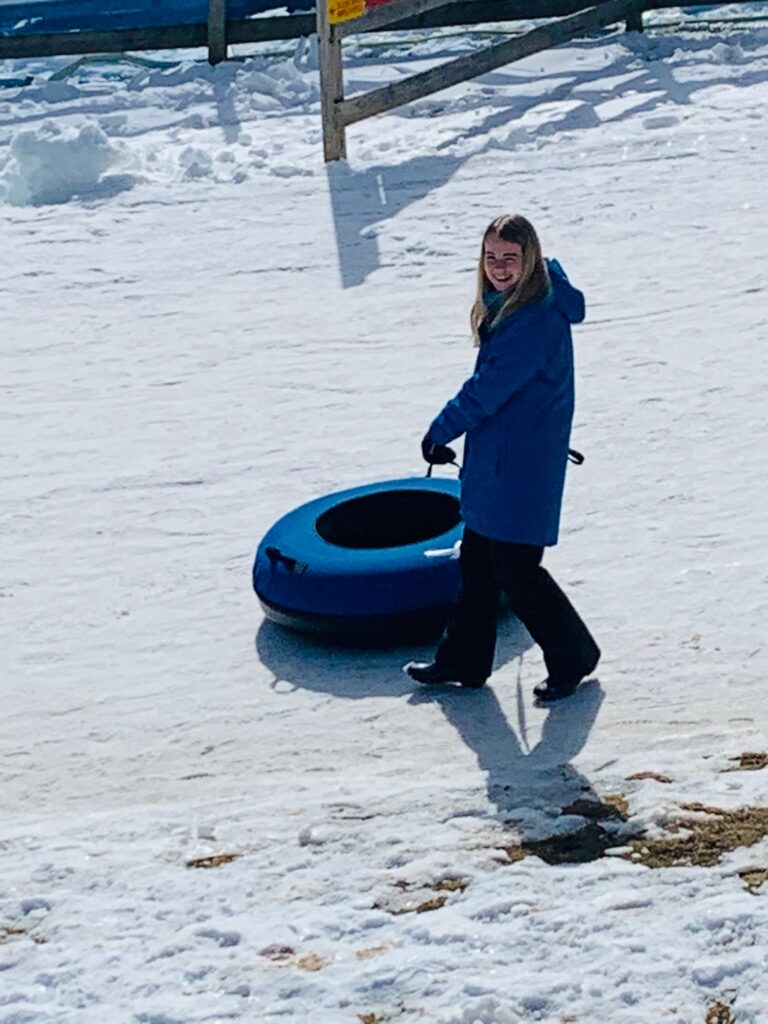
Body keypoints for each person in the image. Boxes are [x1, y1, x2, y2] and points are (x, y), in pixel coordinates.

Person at [404, 214, 600, 702]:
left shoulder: (532, 318)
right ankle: (464, 662)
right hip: (500, 459)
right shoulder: (514, 305)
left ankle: (574, 655)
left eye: (509, 258)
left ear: (529, 258)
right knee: (478, 561)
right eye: (491, 258)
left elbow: (487, 389)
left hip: (522, 465)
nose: (498, 268)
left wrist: (440, 430)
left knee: (516, 569)